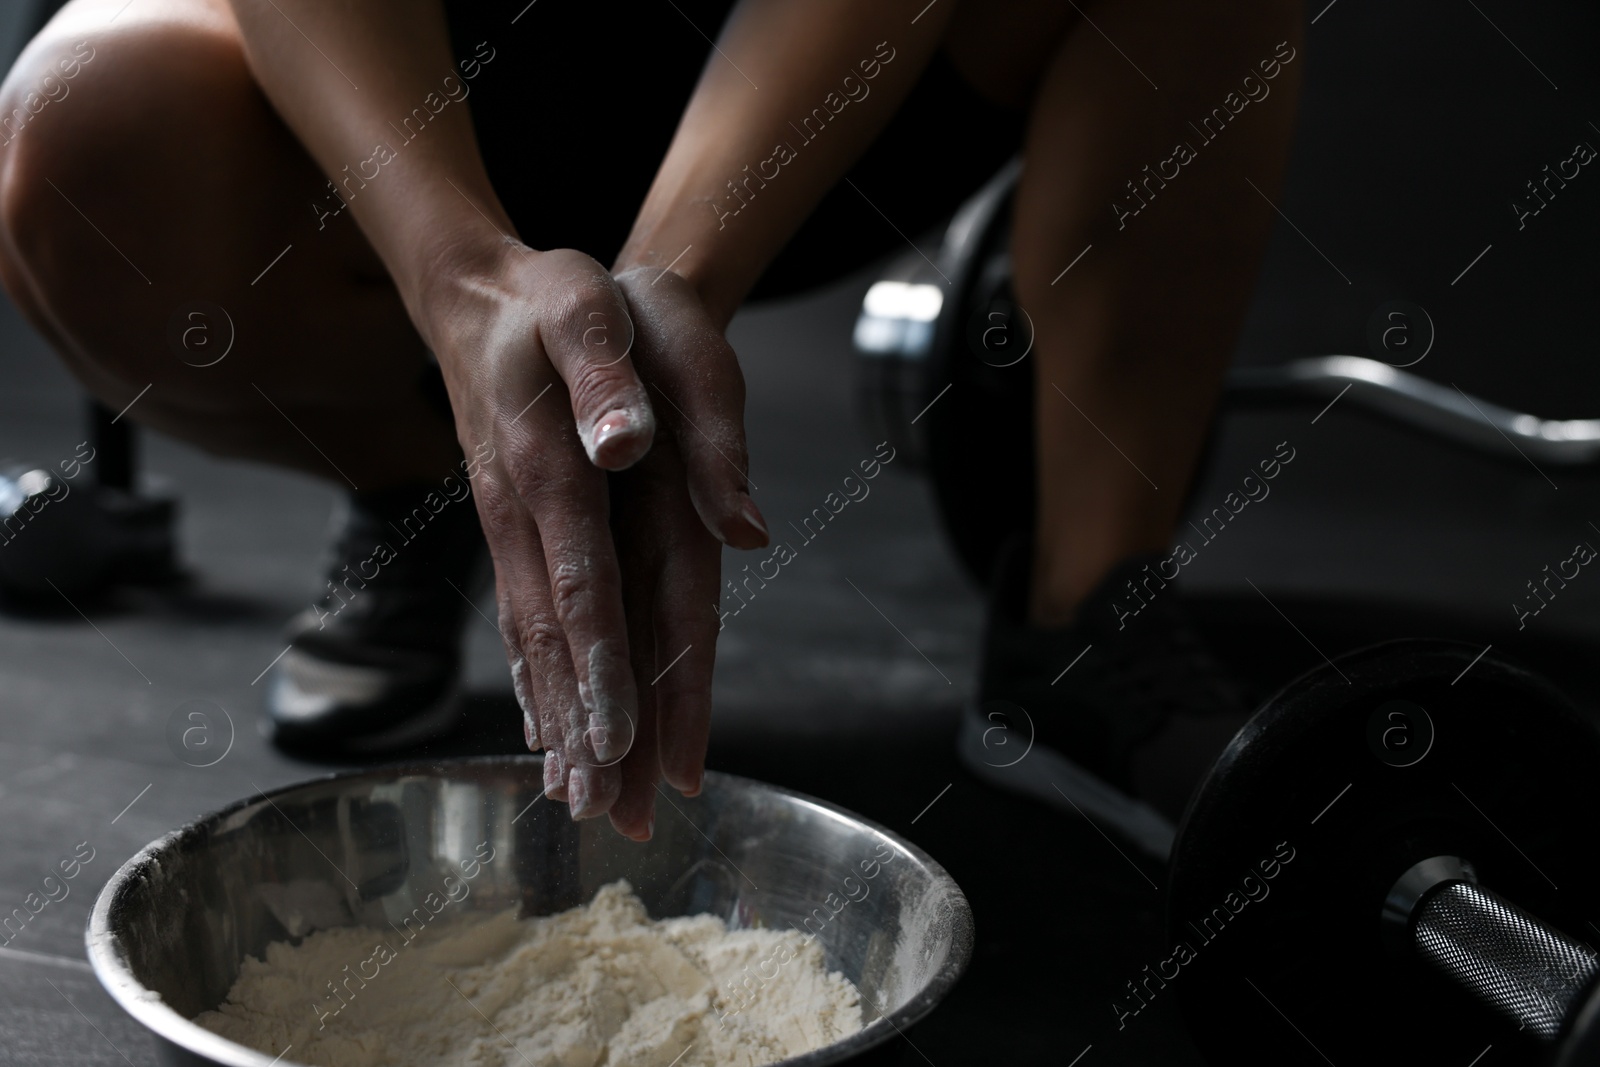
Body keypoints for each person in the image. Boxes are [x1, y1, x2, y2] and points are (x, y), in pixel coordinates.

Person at [0, 0, 1303, 845]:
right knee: (84, 124)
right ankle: (426, 477)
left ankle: (1088, 619)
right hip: (440, 75)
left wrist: (678, 277)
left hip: (827, 82)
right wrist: (455, 278)